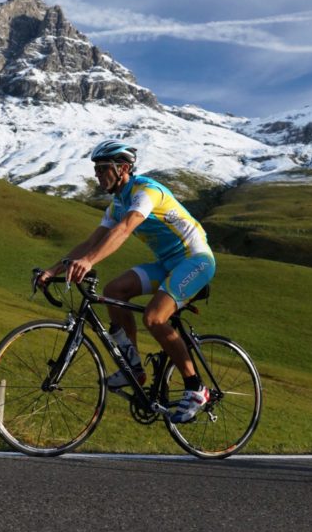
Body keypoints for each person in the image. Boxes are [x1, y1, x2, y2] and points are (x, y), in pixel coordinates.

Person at [38, 139, 217, 424]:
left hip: (195, 260)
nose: (97, 175)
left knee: (155, 318)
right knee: (114, 291)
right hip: (167, 263)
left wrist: (90, 262)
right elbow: (91, 241)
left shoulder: (146, 191)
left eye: (103, 168)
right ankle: (134, 366)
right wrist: (52, 271)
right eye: (95, 169)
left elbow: (124, 229)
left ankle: (196, 388)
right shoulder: (117, 204)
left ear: (122, 169)